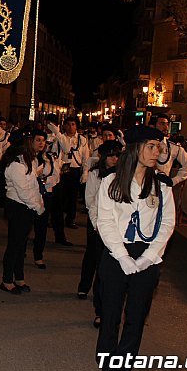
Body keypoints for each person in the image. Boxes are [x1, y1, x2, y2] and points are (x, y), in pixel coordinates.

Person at [95, 125, 176, 371]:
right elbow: (104, 221)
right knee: (110, 314)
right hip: (116, 252)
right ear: (134, 149)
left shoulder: (161, 185)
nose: (157, 152)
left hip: (146, 254)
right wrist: (121, 256)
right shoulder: (111, 181)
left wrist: (149, 257)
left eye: (159, 147)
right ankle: (108, 365)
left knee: (137, 316)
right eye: (151, 147)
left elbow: (167, 223)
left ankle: (122, 369)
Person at [77, 140, 121, 329]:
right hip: (97, 223)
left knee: (108, 268)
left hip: (115, 226)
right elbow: (90, 201)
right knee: (93, 258)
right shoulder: (95, 174)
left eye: (117, 155)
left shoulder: (123, 175)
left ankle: (102, 308)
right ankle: (84, 287)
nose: (114, 159)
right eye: (111, 155)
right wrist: (98, 226)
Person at [0, 127, 46, 295]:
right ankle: (7, 280)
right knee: (14, 245)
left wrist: (38, 201)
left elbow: (32, 186)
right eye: (32, 140)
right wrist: (37, 206)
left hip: (26, 206)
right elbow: (23, 191)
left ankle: (19, 277)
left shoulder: (28, 161)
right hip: (18, 206)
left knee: (21, 245)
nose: (36, 143)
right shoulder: (16, 164)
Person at [47, 116, 91, 232]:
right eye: (68, 124)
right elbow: (59, 150)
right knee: (59, 196)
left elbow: (85, 157)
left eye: (73, 124)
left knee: (72, 196)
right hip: (62, 169)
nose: (71, 127)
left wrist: (85, 172)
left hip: (75, 169)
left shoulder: (82, 140)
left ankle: (70, 219)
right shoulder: (59, 138)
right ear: (64, 126)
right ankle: (56, 218)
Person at [27, 128, 60, 270]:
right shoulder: (27, 157)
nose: (41, 143)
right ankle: (20, 251)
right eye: (38, 140)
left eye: (43, 141)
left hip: (45, 195)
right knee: (26, 226)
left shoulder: (50, 157)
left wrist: (44, 181)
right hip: (29, 195)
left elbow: (56, 176)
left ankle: (38, 256)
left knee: (41, 227)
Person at [153, 113, 187, 186]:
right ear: (153, 125)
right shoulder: (143, 145)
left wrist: (174, 180)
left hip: (162, 187)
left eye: (167, 124)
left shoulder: (173, 147)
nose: (165, 127)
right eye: (162, 124)